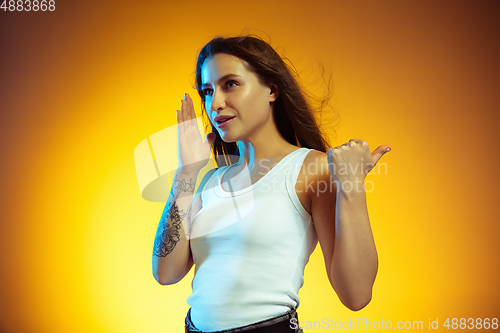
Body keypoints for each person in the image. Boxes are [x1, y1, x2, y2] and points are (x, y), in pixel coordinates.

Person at [151, 35, 391, 333]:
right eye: (208, 91)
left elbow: (356, 295)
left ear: (272, 90)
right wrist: (186, 173)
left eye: (230, 84)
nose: (215, 104)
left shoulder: (311, 168)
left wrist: (351, 187)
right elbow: (166, 272)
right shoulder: (213, 180)